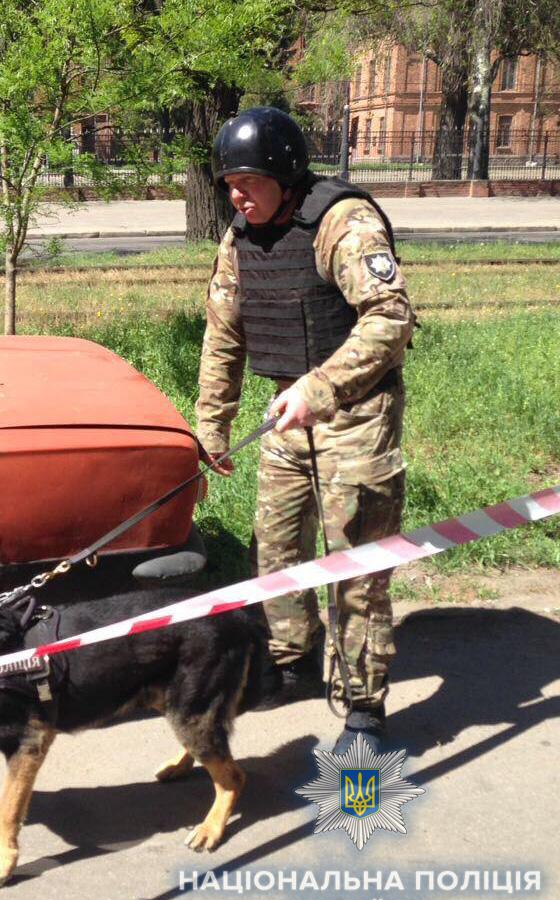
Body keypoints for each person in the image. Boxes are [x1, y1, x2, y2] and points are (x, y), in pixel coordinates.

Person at [196, 106, 416, 754]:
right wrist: (211, 429)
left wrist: (320, 389)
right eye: (227, 182)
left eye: (246, 182)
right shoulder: (240, 236)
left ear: (284, 174)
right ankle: (291, 660)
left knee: (356, 569)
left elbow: (389, 317)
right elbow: (223, 333)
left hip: (356, 417)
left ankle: (364, 708)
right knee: (276, 552)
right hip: (285, 418)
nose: (234, 195)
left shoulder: (344, 225)